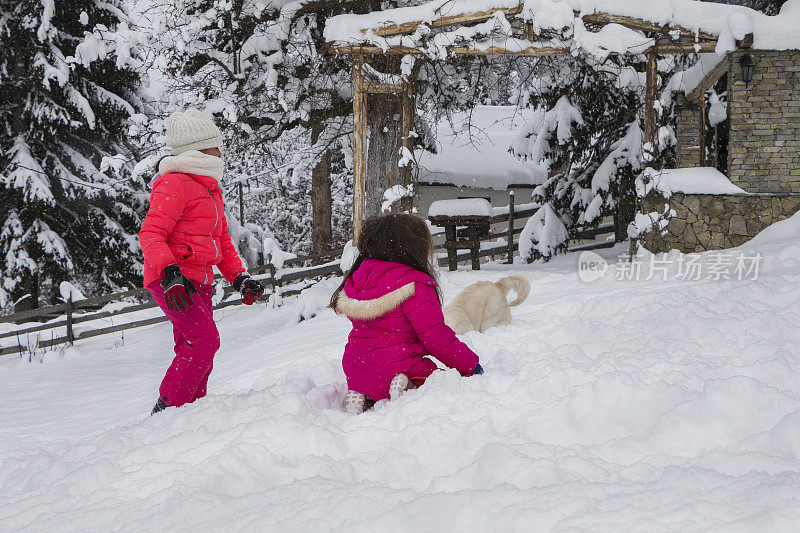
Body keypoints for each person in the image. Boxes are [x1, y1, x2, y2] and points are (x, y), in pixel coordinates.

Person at [139, 108, 264, 415]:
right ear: (198, 148)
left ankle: (191, 416)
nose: (221, 151)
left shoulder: (210, 187)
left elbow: (221, 241)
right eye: (215, 145)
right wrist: (170, 274)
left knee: (194, 346)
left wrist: (240, 279)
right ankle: (166, 410)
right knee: (205, 340)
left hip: (199, 280)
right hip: (173, 281)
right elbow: (150, 234)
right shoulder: (174, 183)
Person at [330, 214, 483, 414]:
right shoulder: (414, 284)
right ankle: (408, 386)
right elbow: (436, 337)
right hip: (398, 366)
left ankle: (361, 394)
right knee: (440, 380)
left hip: (356, 369)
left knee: (374, 371)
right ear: (412, 247)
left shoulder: (358, 279)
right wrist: (469, 364)